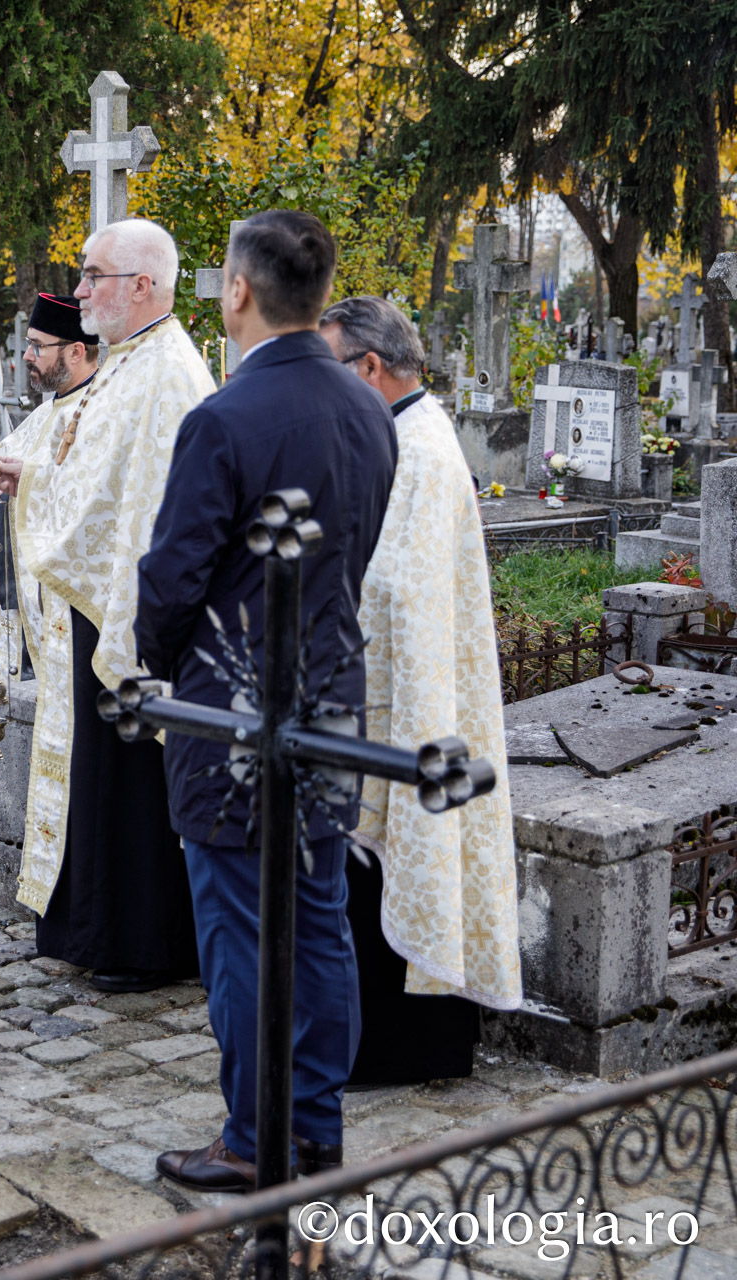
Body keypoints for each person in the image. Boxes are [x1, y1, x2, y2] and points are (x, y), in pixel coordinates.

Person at [135, 211, 397, 1193]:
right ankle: (317, 1127)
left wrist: (162, 661)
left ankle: (254, 1134)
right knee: (320, 910)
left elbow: (171, 574)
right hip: (331, 689)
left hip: (234, 701)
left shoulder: (224, 417)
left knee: (241, 923)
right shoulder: (368, 408)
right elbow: (358, 549)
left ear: (238, 291)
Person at [0, 224, 214, 991]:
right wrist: (35, 472)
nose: (79, 292)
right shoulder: (126, 365)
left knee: (127, 779)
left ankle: (139, 943)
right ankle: (89, 924)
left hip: (130, 610)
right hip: (97, 595)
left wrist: (40, 484)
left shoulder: (167, 372)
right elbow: (88, 469)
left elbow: (137, 499)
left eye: (92, 275)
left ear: (142, 285)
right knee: (96, 773)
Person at [317, 296, 521, 1083]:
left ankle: (404, 1047)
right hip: (384, 695)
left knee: (393, 864)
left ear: (369, 368)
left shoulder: (424, 451)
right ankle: (379, 1040)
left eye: (332, 370)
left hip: (408, 705)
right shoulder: (394, 434)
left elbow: (397, 586)